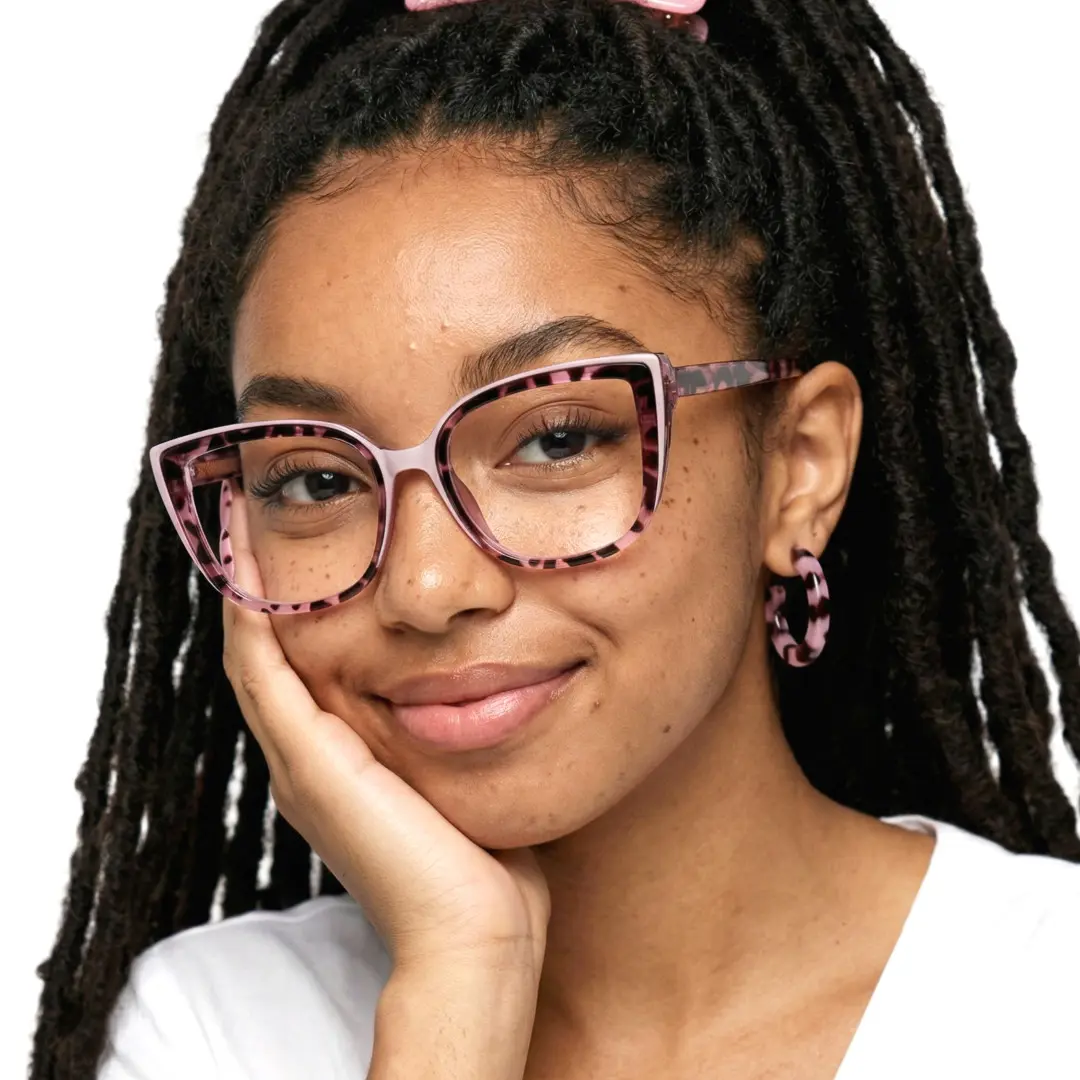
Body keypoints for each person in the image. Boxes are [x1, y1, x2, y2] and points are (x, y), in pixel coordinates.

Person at [30, 0, 1080, 1077]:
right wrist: (457, 984)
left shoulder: (1051, 1003)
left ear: (798, 466)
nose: (428, 585)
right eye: (313, 476)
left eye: (555, 438)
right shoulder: (217, 1033)